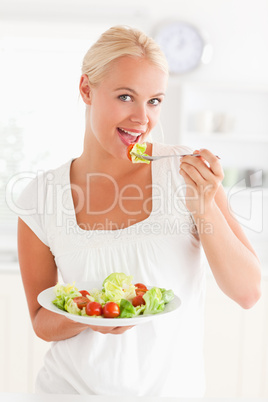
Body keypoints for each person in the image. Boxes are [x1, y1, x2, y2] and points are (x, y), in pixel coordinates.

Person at [16, 25, 261, 397]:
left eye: (154, 101)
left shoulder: (185, 173)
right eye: (126, 96)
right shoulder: (41, 196)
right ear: (86, 89)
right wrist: (88, 315)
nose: (142, 119)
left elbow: (248, 293)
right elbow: (41, 321)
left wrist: (205, 206)